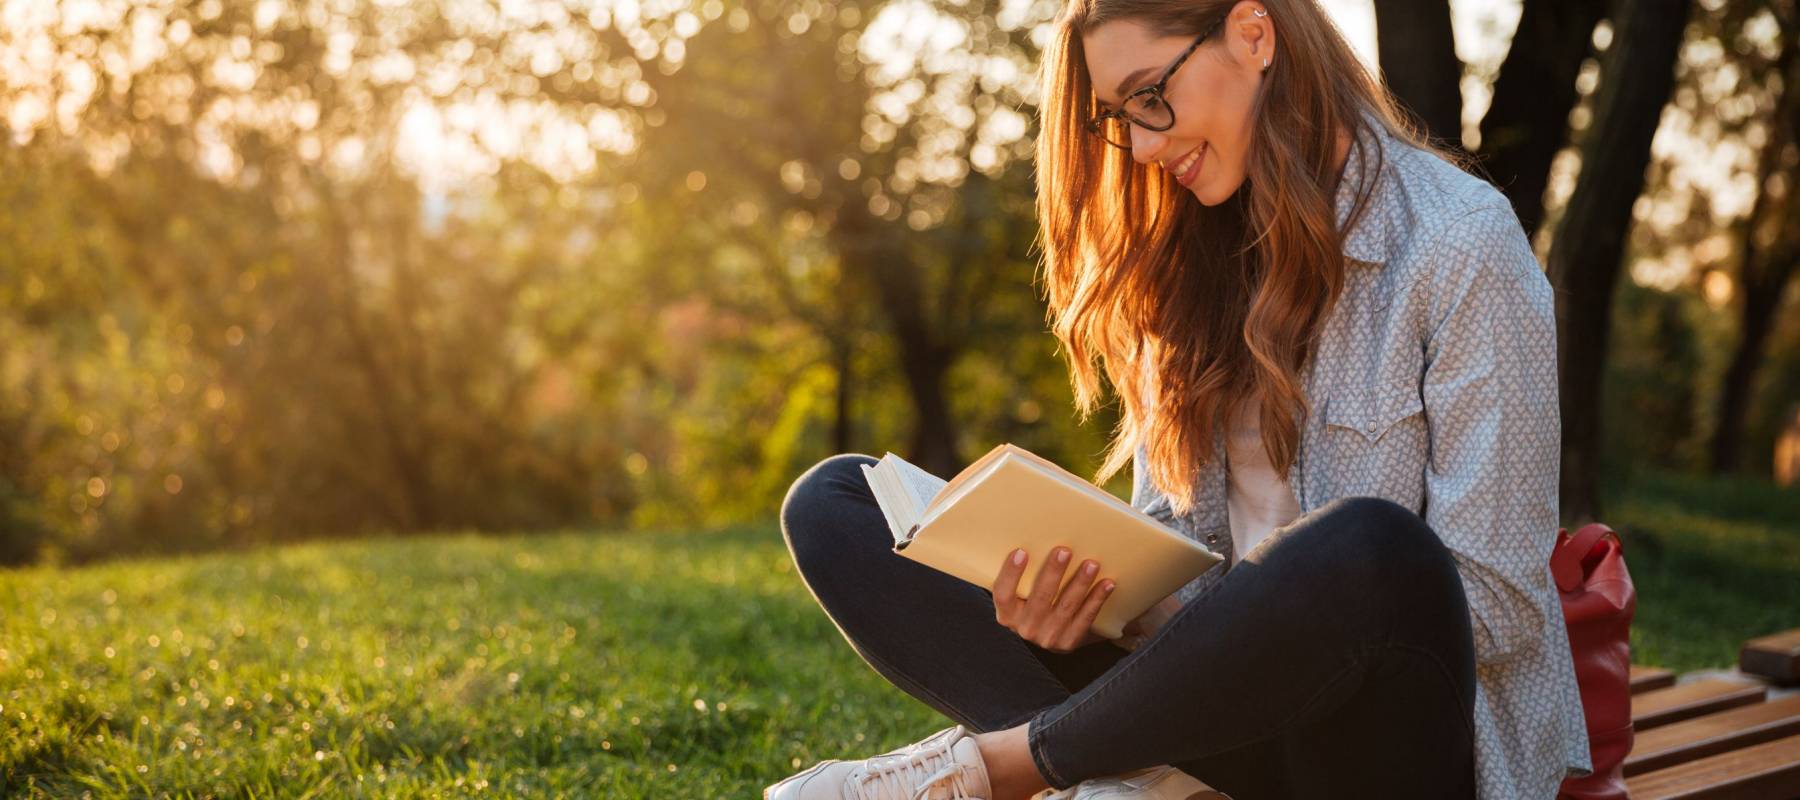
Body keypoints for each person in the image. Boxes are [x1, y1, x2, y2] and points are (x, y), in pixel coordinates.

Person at [766, 1, 1592, 797]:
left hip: (1378, 745)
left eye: (1152, 96)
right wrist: (1098, 604)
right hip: (1205, 729)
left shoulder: (1461, 244)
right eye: (1120, 117)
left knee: (1370, 548)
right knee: (837, 505)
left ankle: (1001, 772)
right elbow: (1169, 552)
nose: (1143, 145)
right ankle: (1149, 782)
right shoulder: (1187, 257)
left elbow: (1497, 606)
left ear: (1253, 33)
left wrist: (1259, 629)